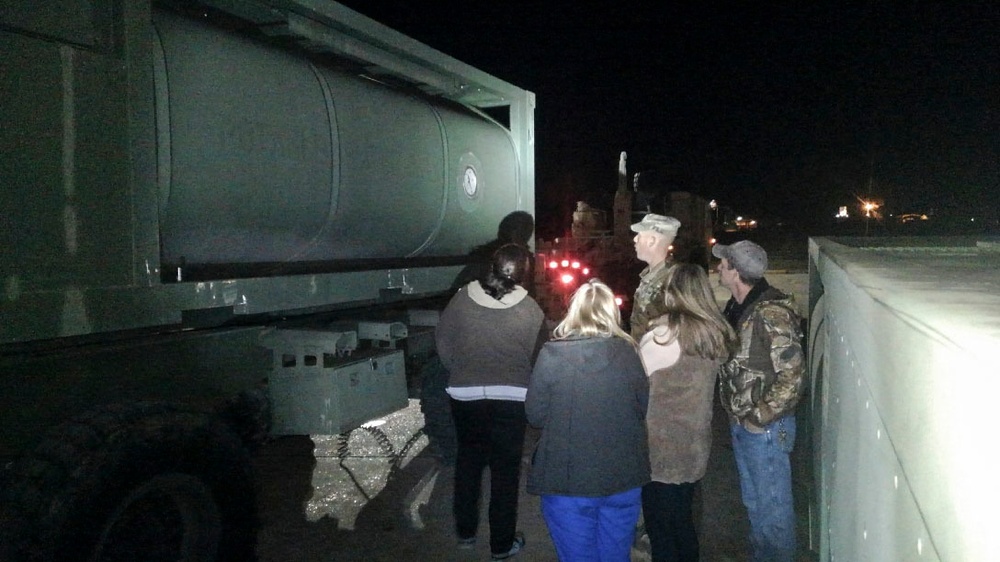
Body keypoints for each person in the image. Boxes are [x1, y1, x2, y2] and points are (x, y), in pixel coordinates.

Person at [435, 243, 547, 560]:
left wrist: (459, 368)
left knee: (468, 462)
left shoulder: (461, 299)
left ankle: (466, 533)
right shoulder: (531, 310)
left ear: (492, 267)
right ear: (526, 273)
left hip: (465, 394)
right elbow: (540, 358)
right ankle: (501, 545)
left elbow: (442, 342)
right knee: (505, 471)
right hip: (511, 398)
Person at [525, 279, 650, 562]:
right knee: (616, 555)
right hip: (623, 476)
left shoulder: (552, 355)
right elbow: (641, 407)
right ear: (612, 314)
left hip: (569, 479)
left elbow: (534, 415)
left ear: (574, 311)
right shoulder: (629, 352)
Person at [713, 240, 805, 562]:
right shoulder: (738, 306)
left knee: (774, 510)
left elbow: (792, 377)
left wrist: (758, 417)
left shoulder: (771, 313)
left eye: (723, 264)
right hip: (744, 423)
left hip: (764, 428)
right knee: (756, 504)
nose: (718, 268)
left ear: (735, 271)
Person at [639, 264, 737, 562]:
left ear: (673, 293)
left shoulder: (662, 335)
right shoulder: (714, 333)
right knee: (683, 522)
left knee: (661, 528)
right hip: (695, 442)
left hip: (660, 448)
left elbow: (635, 383)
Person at [629, 213, 682, 340]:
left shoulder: (674, 279)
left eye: (640, 235)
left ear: (652, 241)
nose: (635, 239)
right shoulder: (650, 275)